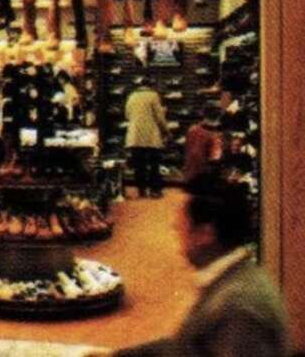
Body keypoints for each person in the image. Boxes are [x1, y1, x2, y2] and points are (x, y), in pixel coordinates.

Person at [103, 173, 289, 357]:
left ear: (205, 233)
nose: (175, 227)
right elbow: (187, 347)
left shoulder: (240, 308)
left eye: (182, 222)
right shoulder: (233, 280)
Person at [124, 79, 170, 198]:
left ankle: (141, 190)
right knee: (154, 164)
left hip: (135, 135)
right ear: (151, 86)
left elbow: (127, 115)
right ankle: (155, 190)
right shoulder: (153, 96)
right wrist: (166, 131)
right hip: (151, 135)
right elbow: (159, 117)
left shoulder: (132, 96)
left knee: (139, 165)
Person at [183, 106, 224, 183]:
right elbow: (215, 158)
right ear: (218, 117)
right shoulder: (214, 136)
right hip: (203, 179)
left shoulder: (192, 129)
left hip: (189, 175)